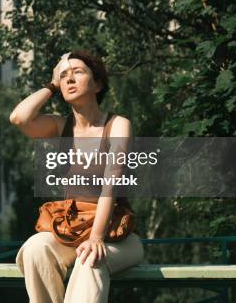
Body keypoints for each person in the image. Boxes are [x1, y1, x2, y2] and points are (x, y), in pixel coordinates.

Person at [9, 50, 144, 303]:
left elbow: (110, 185)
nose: (69, 79)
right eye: (63, 76)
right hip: (71, 231)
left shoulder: (117, 125)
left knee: (90, 260)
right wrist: (51, 84)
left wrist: (96, 237)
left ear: (98, 84)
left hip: (116, 236)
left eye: (78, 72)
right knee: (35, 248)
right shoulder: (61, 127)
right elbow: (19, 118)